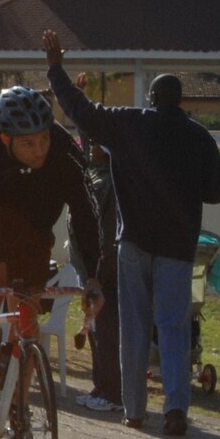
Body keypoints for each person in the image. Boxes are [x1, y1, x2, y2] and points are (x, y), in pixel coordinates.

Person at [43, 31, 220, 436]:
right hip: (178, 247)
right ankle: (177, 406)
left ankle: (135, 410)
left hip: (134, 243)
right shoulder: (199, 137)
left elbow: (80, 110)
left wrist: (56, 68)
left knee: (134, 327)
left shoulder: (129, 125)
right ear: (180, 101)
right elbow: (217, 191)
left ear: (151, 100)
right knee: (175, 326)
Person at [0, 86, 102, 422]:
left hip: (32, 235)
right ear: (6, 139)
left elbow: (87, 215)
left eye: (43, 139)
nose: (39, 149)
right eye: (28, 143)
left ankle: (20, 404)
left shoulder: (63, 151)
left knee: (28, 319)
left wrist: (94, 277)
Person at [74, 142, 123, 413]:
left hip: (103, 271)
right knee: (94, 328)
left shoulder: (112, 182)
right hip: (90, 268)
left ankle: (112, 392)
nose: (91, 147)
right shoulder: (95, 175)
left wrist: (99, 271)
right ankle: (100, 386)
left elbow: (105, 230)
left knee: (106, 330)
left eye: (97, 145)